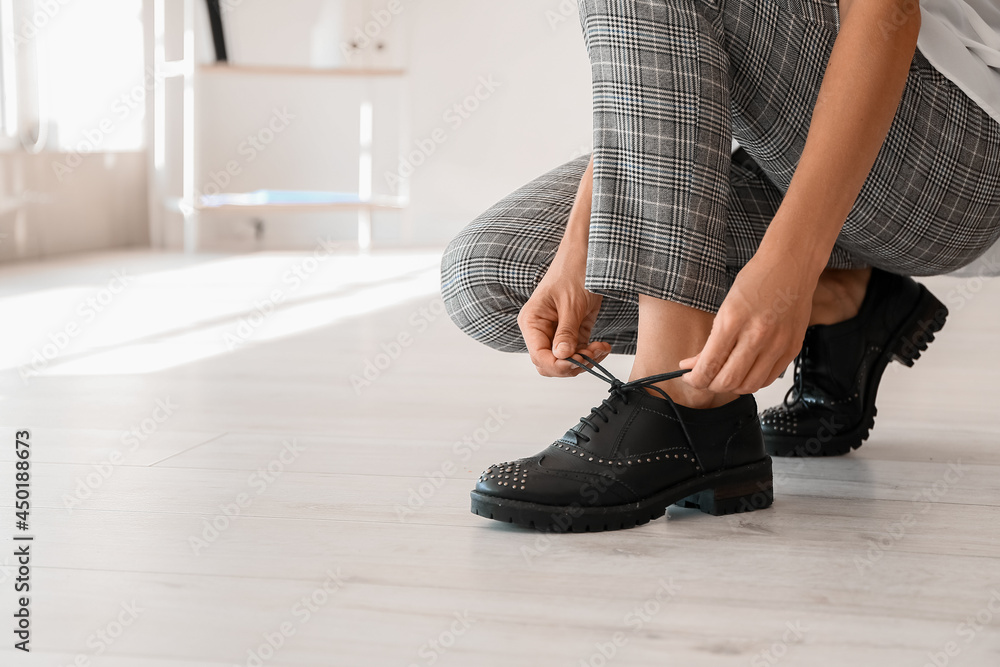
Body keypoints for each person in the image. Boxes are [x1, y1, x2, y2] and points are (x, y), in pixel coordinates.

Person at [441, 0, 1000, 531]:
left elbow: (888, 14)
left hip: (947, 162)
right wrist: (582, 239)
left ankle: (684, 405)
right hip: (787, 147)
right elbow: (655, 66)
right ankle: (846, 300)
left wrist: (792, 264)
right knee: (489, 275)